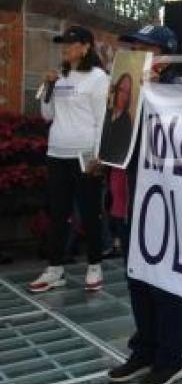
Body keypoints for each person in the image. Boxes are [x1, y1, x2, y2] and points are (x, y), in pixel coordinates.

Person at [106, 24, 182, 384]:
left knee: (164, 284)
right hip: (127, 199)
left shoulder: (177, 95)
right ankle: (145, 349)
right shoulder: (127, 91)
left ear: (165, 57)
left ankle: (171, 358)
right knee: (136, 279)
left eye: (145, 49)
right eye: (133, 47)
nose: (137, 54)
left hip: (161, 206)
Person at [29, 25, 109, 294]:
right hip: (57, 153)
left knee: (89, 213)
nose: (65, 48)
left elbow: (101, 120)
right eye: (63, 44)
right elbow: (47, 115)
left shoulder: (98, 78)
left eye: (71, 44)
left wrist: (98, 157)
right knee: (58, 213)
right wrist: (48, 86)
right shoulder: (60, 76)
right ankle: (55, 269)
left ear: (86, 46)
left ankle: (95, 266)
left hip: (85, 154)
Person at [99, 73, 134, 165]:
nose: (123, 95)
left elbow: (122, 151)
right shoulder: (107, 111)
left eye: (127, 92)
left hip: (111, 165)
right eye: (121, 90)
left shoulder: (126, 119)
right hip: (96, 162)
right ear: (116, 89)